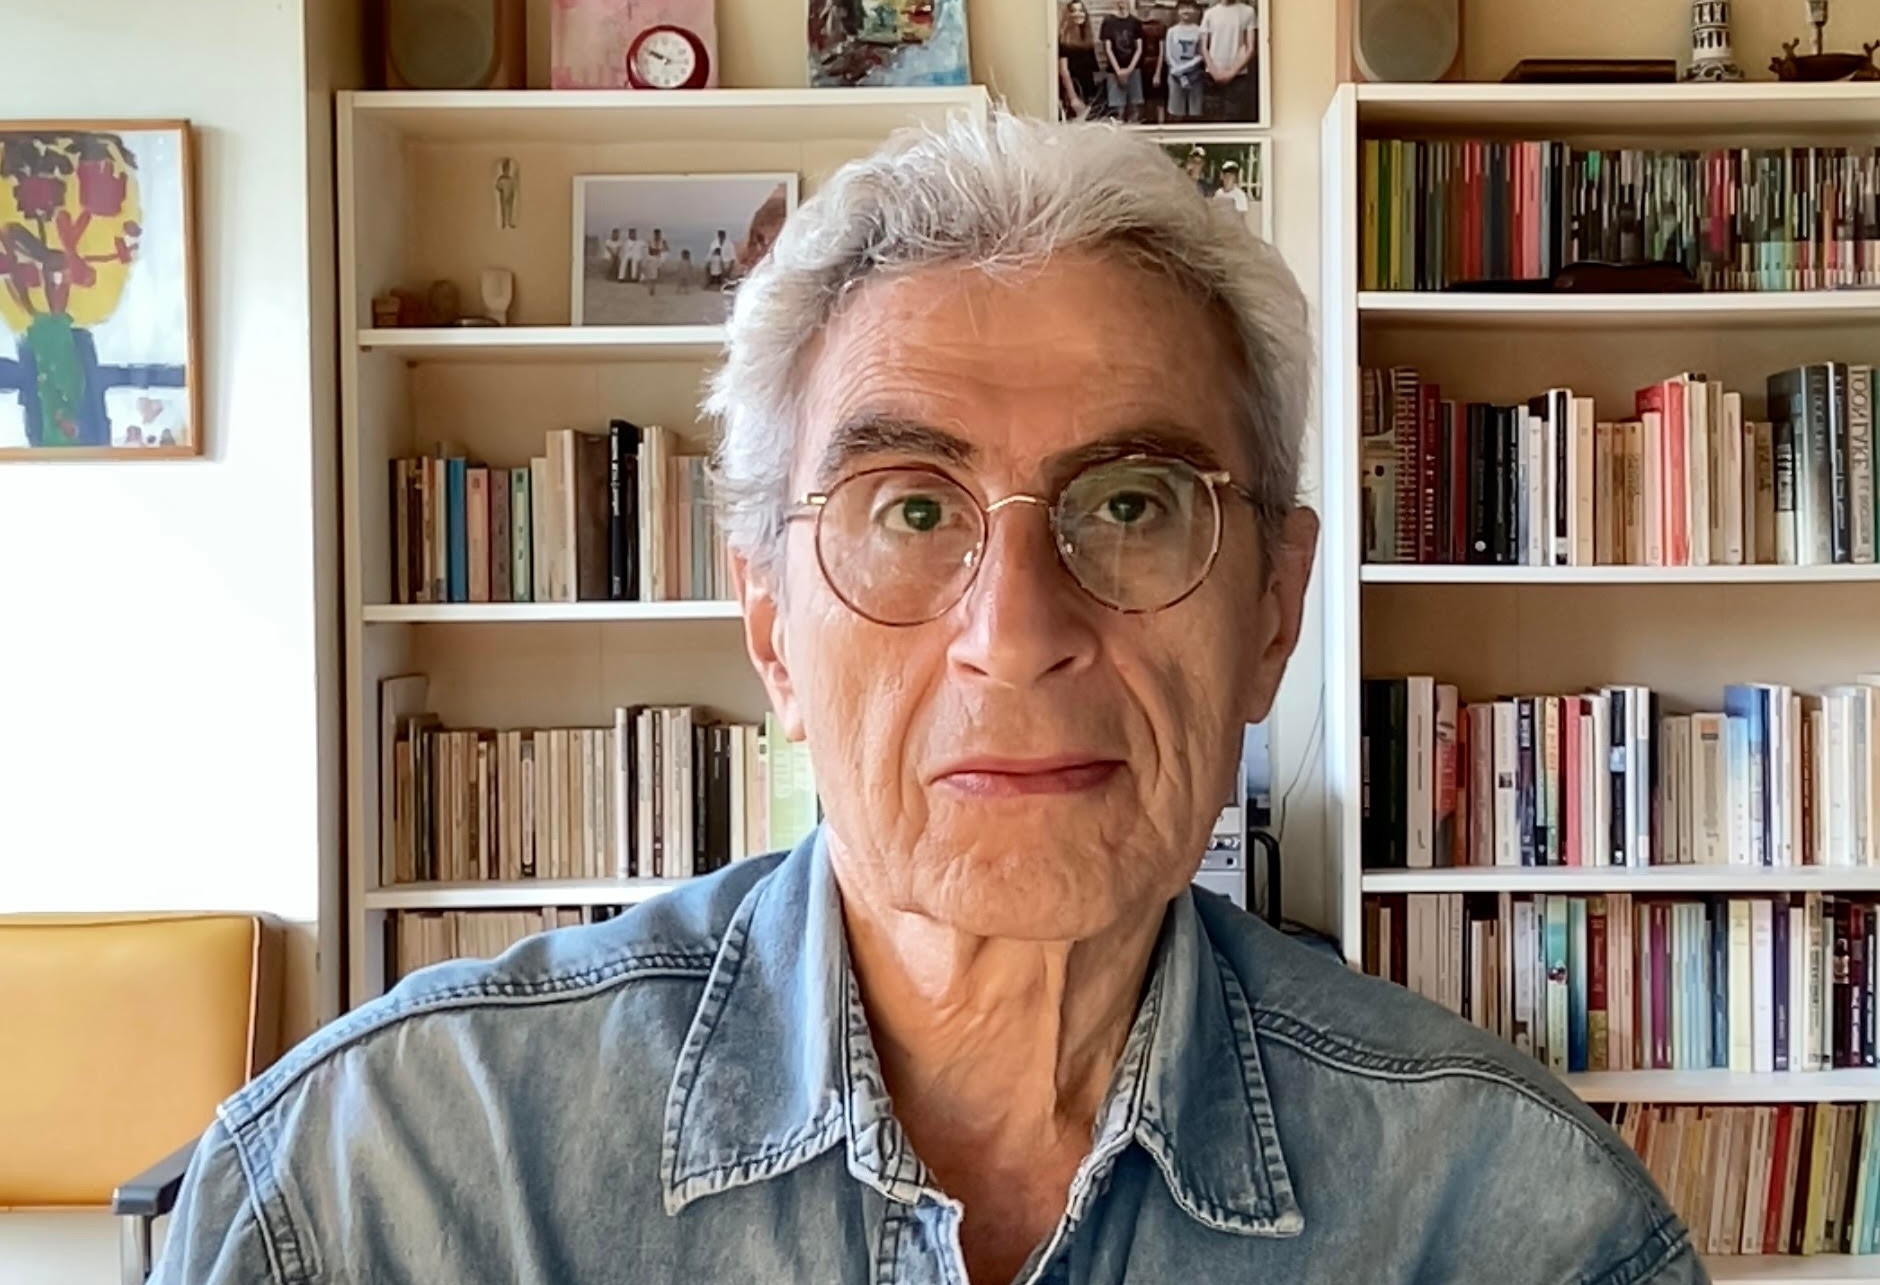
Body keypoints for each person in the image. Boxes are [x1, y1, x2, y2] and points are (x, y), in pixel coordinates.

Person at [147, 113, 1702, 1285]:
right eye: (908, 509)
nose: (1014, 638)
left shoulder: (1511, 1221)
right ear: (767, 617)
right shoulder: (380, 1192)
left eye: (1137, 504)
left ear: (1274, 608)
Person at [1201, 0, 1260, 122]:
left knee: (1234, 119)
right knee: (1211, 120)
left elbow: (1251, 48)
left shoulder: (1248, 11)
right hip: (1211, 75)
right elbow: (1203, 47)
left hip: (1238, 76)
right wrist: (1214, 72)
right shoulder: (1210, 13)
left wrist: (1231, 73)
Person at [1100, 0, 1145, 124]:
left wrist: (1129, 69)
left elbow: (1139, 48)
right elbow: (1107, 49)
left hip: (1134, 70)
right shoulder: (1108, 22)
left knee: (1135, 107)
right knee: (1117, 110)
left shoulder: (1135, 22)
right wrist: (1118, 71)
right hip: (1113, 71)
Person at [1160, 1, 1206, 121]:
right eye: (1183, 8)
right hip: (1175, 76)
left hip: (1195, 76)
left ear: (1196, 10)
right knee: (1176, 111)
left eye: (1190, 7)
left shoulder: (1200, 31)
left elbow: (1202, 54)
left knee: (1195, 110)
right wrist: (1178, 74)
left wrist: (1184, 69)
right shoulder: (1172, 31)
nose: (1186, 11)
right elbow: (1168, 54)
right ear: (1177, 11)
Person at [1057, 0, 1100, 120]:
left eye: (1081, 10)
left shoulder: (1087, 38)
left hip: (1087, 89)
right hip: (1073, 89)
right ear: (1068, 15)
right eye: (1074, 11)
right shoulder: (1064, 40)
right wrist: (1073, 98)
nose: (1078, 14)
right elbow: (1064, 71)